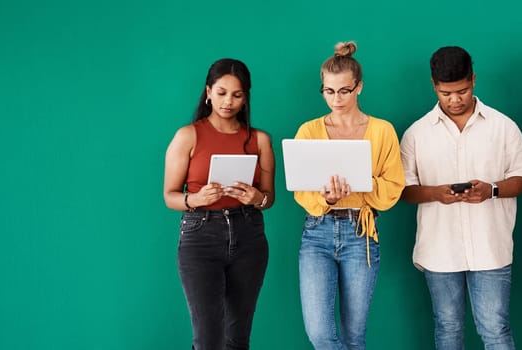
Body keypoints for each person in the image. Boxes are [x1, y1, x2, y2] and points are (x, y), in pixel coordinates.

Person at [400, 46, 522, 350]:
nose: (455, 99)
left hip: (491, 247)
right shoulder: (416, 134)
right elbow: (404, 190)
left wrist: (492, 190)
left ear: (473, 79)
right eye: (446, 93)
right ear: (434, 85)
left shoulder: (503, 126)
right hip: (439, 249)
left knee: (495, 329)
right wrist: (436, 193)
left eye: (462, 90)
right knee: (447, 327)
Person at [294, 41, 405, 350]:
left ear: (359, 87)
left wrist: (360, 183)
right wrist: (328, 199)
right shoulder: (309, 131)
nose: (336, 98)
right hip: (317, 232)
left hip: (361, 233)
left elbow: (392, 188)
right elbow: (302, 191)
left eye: (344, 90)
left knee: (355, 336)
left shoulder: (382, 131)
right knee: (320, 333)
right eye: (329, 91)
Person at [163, 58, 275, 350]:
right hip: (201, 236)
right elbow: (169, 195)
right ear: (208, 91)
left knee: (237, 338)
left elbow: (268, 198)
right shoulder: (188, 135)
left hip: (249, 235)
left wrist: (256, 198)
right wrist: (195, 200)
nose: (228, 102)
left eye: (237, 95)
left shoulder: (260, 140)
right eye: (222, 92)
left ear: (246, 97)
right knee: (208, 339)